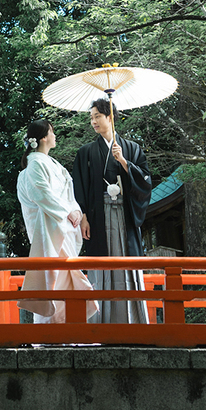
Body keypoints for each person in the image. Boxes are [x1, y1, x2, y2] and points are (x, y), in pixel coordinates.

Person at [71, 98, 152, 323]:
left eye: (97, 116)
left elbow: (145, 182)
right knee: (101, 263)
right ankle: (100, 322)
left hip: (124, 217)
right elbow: (79, 186)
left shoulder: (132, 149)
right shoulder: (86, 153)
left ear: (110, 117)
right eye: (91, 118)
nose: (93, 122)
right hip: (98, 218)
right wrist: (84, 215)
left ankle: (133, 322)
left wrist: (124, 162)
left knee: (128, 264)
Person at [16, 118, 97, 323]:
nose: (55, 135)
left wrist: (77, 211)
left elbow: (70, 195)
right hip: (50, 231)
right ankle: (48, 334)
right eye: (52, 132)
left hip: (66, 228)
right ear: (43, 137)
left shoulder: (54, 165)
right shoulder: (34, 166)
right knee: (53, 281)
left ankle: (71, 331)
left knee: (67, 280)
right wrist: (67, 212)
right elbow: (41, 194)